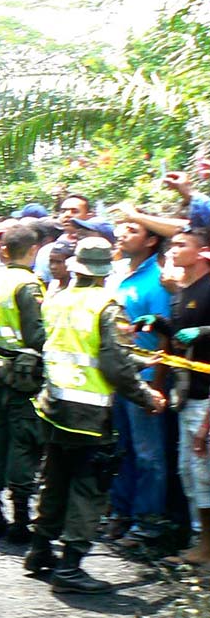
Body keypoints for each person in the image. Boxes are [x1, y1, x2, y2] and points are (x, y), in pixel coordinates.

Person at [25, 237, 168, 592]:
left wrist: (138, 358)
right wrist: (146, 394)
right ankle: (70, 568)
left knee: (55, 478)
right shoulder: (108, 306)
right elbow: (112, 364)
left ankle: (40, 550)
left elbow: (80, 347)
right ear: (106, 271)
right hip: (88, 415)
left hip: (54, 407)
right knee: (89, 486)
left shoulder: (60, 300)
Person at [103, 221, 174, 553]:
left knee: (149, 455)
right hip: (119, 376)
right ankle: (121, 512)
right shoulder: (118, 273)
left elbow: (164, 336)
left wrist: (157, 386)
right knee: (124, 450)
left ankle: (146, 523)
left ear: (150, 240)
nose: (122, 234)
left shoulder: (156, 280)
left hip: (145, 380)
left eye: (132, 230)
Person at [0, 222, 46, 541]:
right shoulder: (28, 285)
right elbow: (37, 336)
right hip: (22, 376)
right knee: (24, 442)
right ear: (33, 251)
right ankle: (19, 520)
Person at [147, 228, 210, 566]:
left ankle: (205, 549)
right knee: (190, 472)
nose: (173, 249)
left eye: (181, 245)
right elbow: (181, 337)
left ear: (204, 252)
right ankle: (198, 543)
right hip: (187, 395)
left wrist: (202, 331)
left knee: (204, 473)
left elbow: (198, 334)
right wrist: (159, 324)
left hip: (206, 399)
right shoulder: (184, 290)